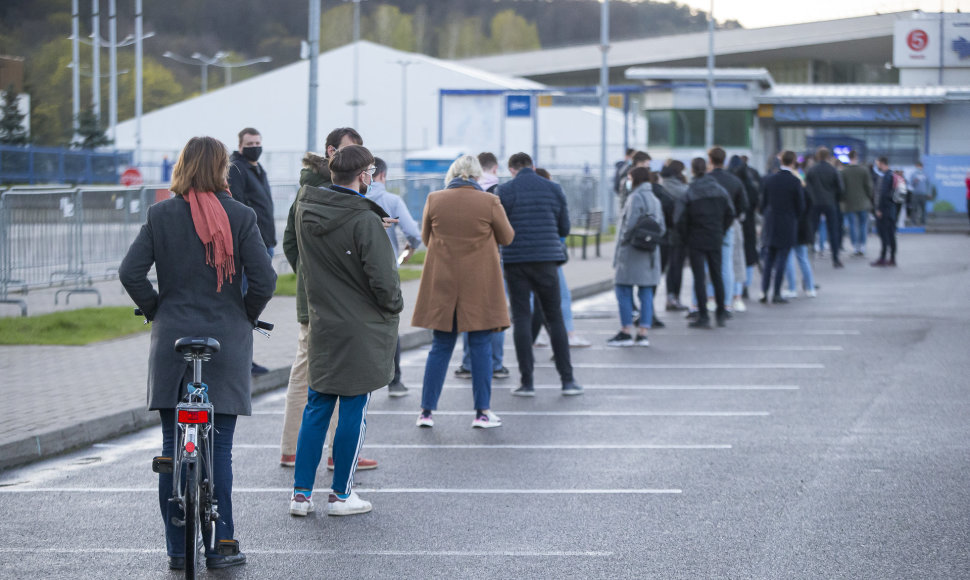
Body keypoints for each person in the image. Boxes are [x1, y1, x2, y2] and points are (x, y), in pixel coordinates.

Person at [120, 136, 276, 571]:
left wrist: (157, 310)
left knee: (173, 446)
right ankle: (221, 544)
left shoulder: (161, 214)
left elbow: (130, 272)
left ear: (183, 167)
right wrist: (243, 315)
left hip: (172, 342)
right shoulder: (241, 216)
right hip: (225, 343)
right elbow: (265, 280)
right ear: (222, 170)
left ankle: (175, 550)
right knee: (220, 449)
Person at [289, 145, 403, 518]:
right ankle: (341, 495)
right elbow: (384, 282)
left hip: (323, 321)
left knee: (316, 407)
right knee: (354, 408)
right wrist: (393, 307)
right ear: (364, 176)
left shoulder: (306, 208)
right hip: (360, 327)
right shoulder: (365, 219)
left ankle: (301, 495)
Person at [278, 128, 378, 472]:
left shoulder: (315, 189)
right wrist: (313, 276)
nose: (360, 165)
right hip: (327, 301)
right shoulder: (318, 191)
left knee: (312, 372)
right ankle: (332, 452)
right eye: (354, 155)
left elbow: (294, 242)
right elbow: (292, 241)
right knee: (324, 376)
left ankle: (305, 450)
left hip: (322, 297)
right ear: (332, 151)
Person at [412, 155, 515, 428]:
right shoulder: (489, 201)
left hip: (443, 283)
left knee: (440, 346)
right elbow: (507, 237)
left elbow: (425, 238)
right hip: (479, 286)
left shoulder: (435, 199)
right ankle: (482, 413)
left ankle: (426, 412)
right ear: (477, 175)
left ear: (453, 173)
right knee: (481, 346)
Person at [497, 152, 583, 397]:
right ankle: (567, 380)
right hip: (547, 260)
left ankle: (527, 382)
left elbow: (501, 229)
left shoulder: (505, 191)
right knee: (554, 317)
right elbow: (564, 227)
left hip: (516, 262)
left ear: (511, 168)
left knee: (522, 318)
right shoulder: (554, 188)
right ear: (532, 167)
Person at [366, 156, 422, 397]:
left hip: (356, 272)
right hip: (387, 270)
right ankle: (395, 381)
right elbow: (413, 233)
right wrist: (409, 250)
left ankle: (361, 381)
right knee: (390, 324)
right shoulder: (392, 200)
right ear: (383, 175)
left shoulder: (354, 198)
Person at [454, 151, 511, 379]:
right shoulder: (497, 193)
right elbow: (506, 234)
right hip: (492, 261)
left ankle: (468, 364)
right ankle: (496, 364)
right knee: (495, 313)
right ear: (494, 168)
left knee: (468, 313)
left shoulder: (452, 195)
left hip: (463, 264)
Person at [227, 127, 276, 375]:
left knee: (252, 304)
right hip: (250, 246)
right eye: (250, 143)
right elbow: (238, 204)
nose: (255, 146)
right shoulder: (237, 169)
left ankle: (246, 358)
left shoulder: (257, 168)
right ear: (240, 145)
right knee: (245, 303)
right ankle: (241, 360)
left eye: (258, 141)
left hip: (264, 242)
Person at [675, 157, 734, 328]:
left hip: (696, 238)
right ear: (707, 169)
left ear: (692, 171)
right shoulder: (720, 190)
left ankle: (703, 315)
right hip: (715, 236)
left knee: (699, 278)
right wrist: (721, 229)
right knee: (717, 275)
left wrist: (686, 236)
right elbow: (731, 212)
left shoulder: (690, 192)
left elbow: (679, 219)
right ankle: (721, 312)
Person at [608, 167, 664, 347]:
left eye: (630, 177)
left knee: (622, 289)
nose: (628, 181)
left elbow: (629, 225)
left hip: (632, 251)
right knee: (646, 292)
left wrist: (623, 241)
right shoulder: (655, 199)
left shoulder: (635, 198)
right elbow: (661, 227)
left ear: (636, 179)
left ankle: (625, 331)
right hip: (650, 253)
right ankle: (643, 333)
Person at [759, 150, 806, 304]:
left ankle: (764, 291)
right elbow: (801, 206)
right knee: (782, 260)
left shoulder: (769, 180)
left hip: (771, 222)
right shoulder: (795, 181)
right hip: (787, 223)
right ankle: (777, 292)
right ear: (793, 162)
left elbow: (763, 204)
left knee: (769, 260)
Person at [707, 147, 748, 314]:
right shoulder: (734, 181)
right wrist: (732, 217)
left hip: (708, 225)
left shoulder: (706, 180)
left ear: (710, 160)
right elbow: (743, 204)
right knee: (728, 265)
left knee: (708, 265)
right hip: (729, 225)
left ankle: (710, 299)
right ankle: (727, 302)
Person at [729, 154, 761, 307]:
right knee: (748, 255)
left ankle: (732, 289)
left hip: (730, 223)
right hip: (748, 223)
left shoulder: (729, 183)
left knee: (730, 256)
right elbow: (755, 202)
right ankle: (744, 286)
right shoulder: (750, 183)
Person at [805, 146, 845, 268]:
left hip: (815, 203)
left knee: (812, 229)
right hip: (830, 202)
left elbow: (807, 187)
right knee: (833, 230)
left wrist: (810, 200)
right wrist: (836, 199)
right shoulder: (833, 170)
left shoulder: (812, 170)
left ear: (817, 156)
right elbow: (840, 188)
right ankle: (835, 258)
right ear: (828, 156)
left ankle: (809, 257)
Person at [659, 160, 689, 311]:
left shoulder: (661, 186)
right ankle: (674, 297)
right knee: (676, 268)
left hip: (661, 234)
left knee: (662, 269)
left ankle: (663, 300)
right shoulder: (683, 189)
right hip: (679, 234)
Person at [841, 150, 873, 257]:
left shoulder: (844, 171)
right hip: (863, 202)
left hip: (849, 203)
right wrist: (869, 197)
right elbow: (869, 187)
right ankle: (862, 246)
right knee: (863, 224)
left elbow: (842, 188)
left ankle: (855, 247)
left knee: (852, 225)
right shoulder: (864, 170)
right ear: (856, 157)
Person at [871, 156, 898, 267]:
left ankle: (883, 258)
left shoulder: (886, 177)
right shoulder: (891, 175)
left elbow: (884, 195)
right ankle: (891, 258)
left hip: (885, 211)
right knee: (891, 235)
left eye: (877, 163)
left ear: (882, 163)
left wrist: (879, 210)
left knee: (884, 234)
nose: (876, 166)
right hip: (891, 210)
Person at [908, 161, 930, 226]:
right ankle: (913, 222)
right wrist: (914, 181)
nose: (919, 167)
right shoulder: (913, 174)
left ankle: (923, 222)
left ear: (922, 167)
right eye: (918, 166)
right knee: (914, 208)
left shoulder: (925, 174)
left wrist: (928, 193)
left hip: (923, 194)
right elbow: (911, 184)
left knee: (923, 209)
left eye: (920, 166)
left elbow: (928, 184)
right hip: (915, 194)